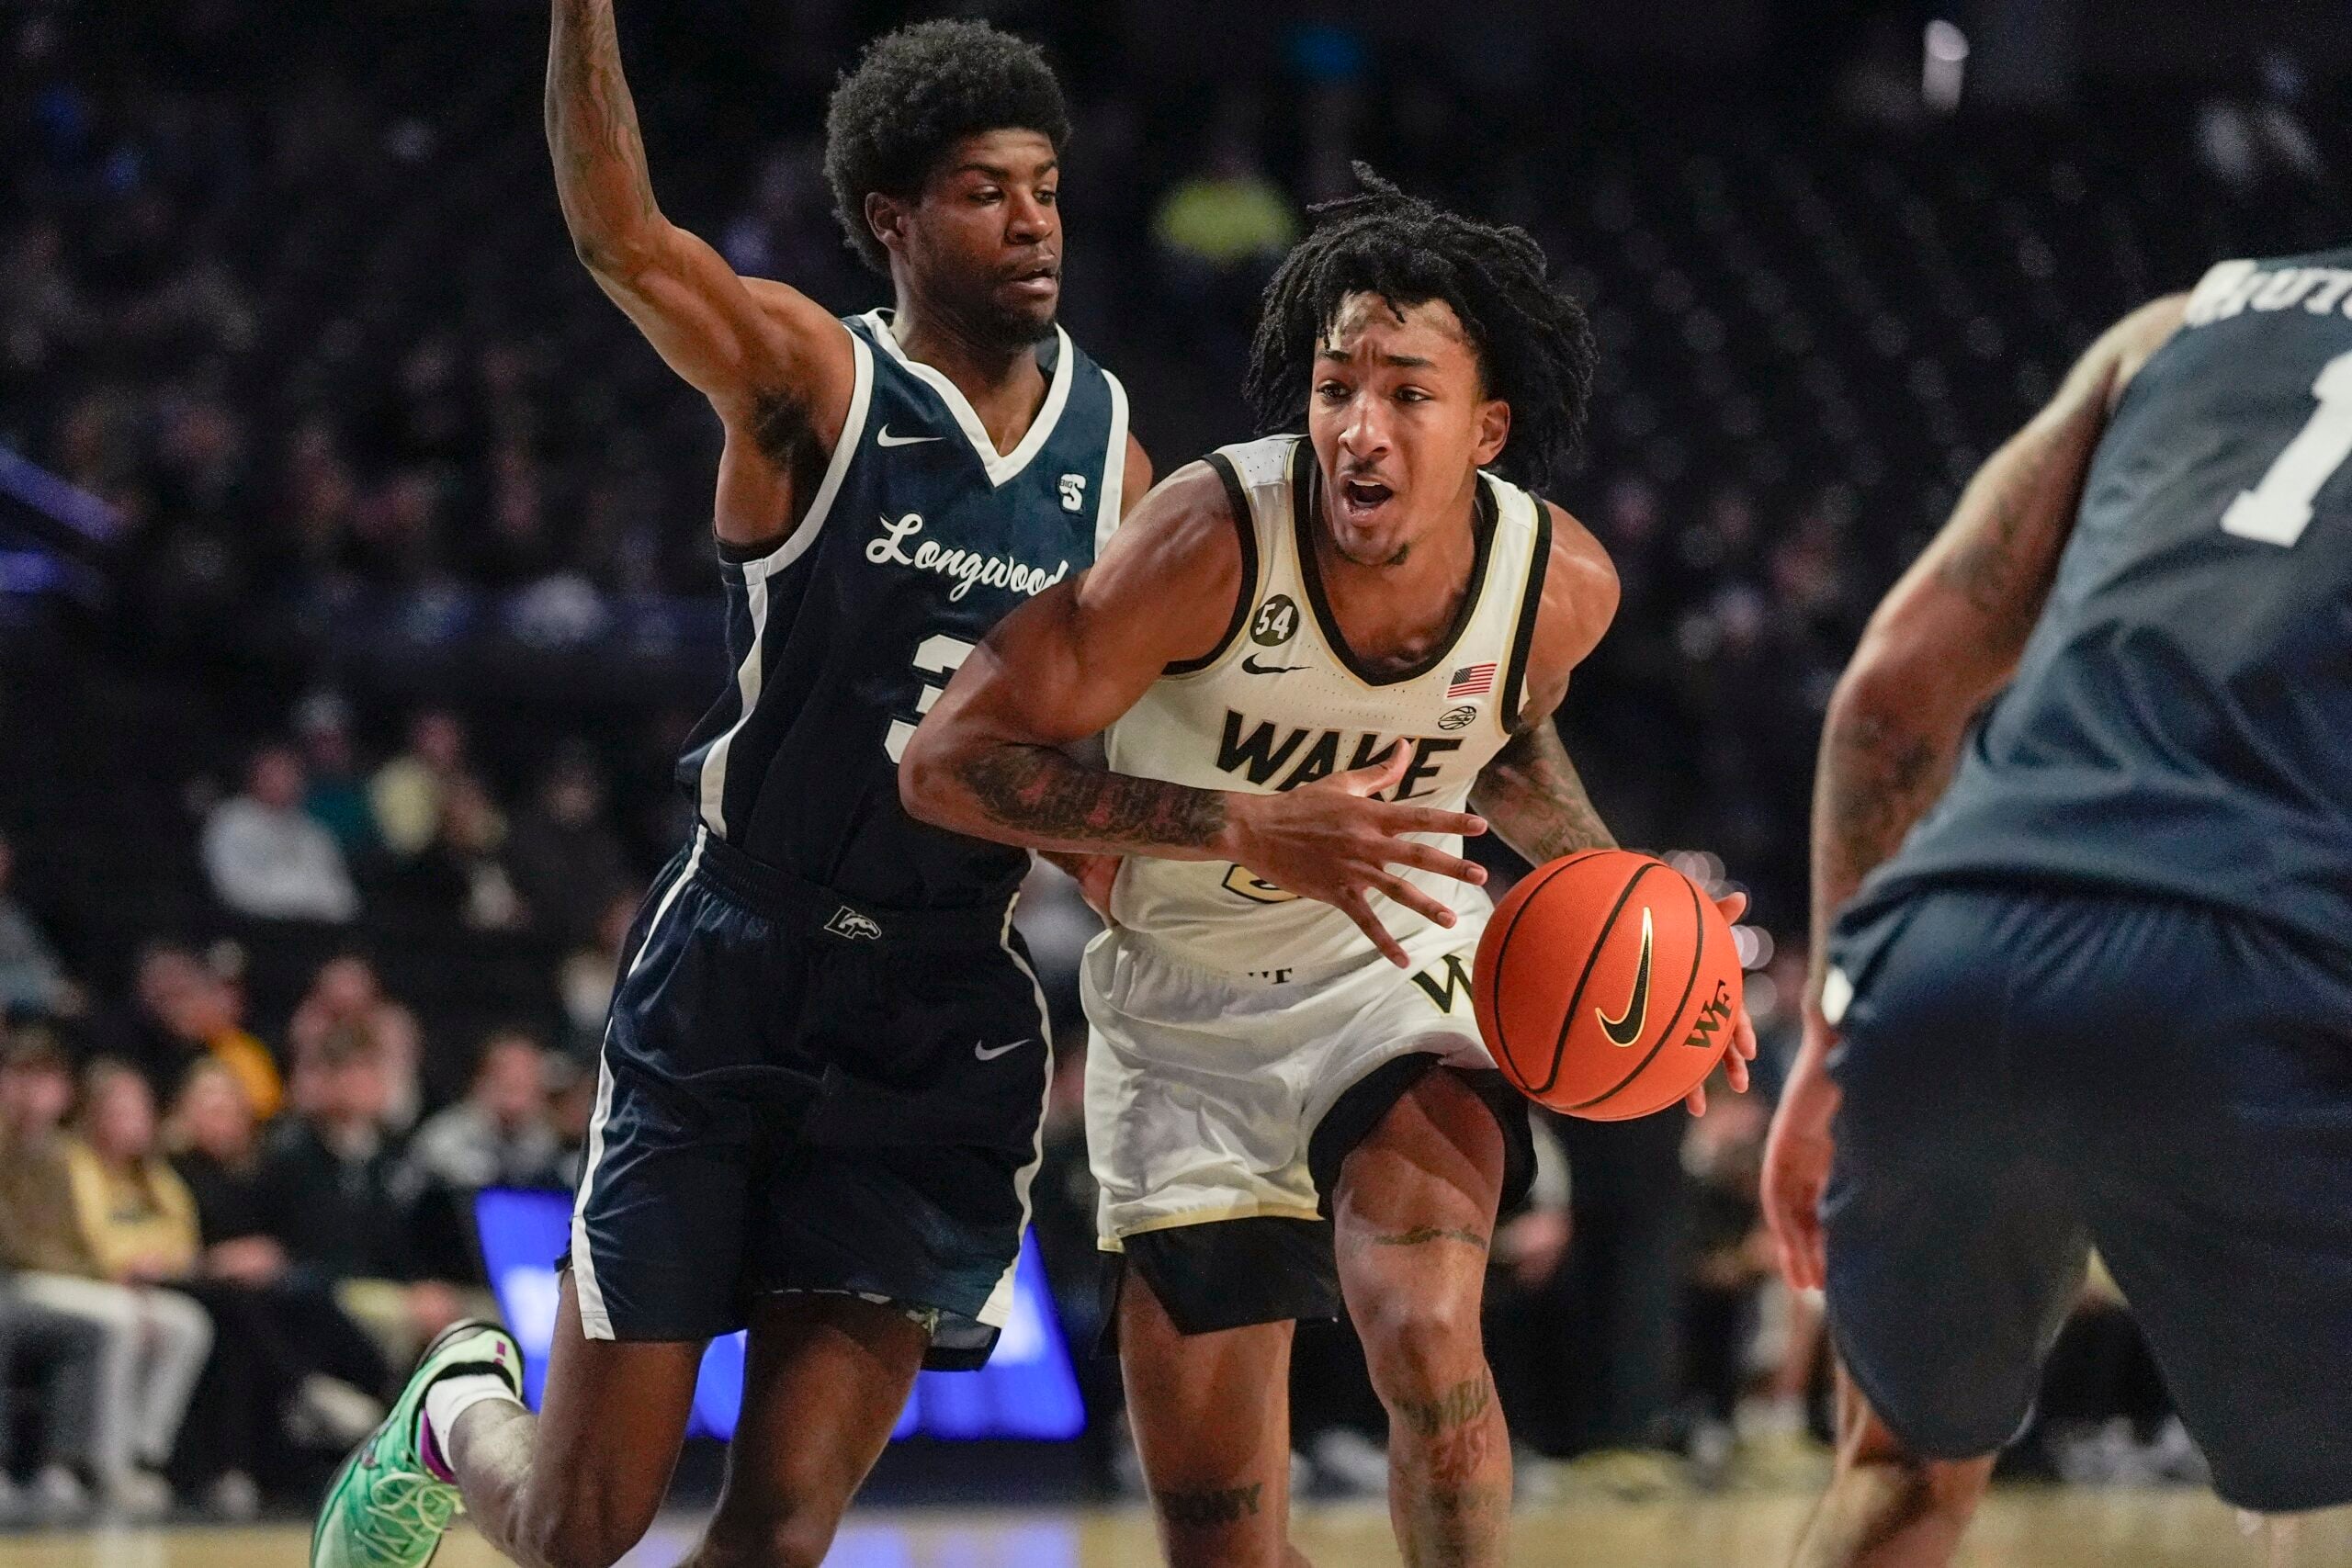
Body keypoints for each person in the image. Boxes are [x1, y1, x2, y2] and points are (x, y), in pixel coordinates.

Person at [312, 14, 1148, 1568]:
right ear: (894, 218)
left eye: (1044, 184)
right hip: (736, 974)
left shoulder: (1117, 467)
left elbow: (1101, 757)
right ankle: (451, 1406)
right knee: (579, 1530)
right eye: (985, 188)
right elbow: (622, 234)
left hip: (936, 1011)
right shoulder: (808, 378)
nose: (1033, 218)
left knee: (776, 1535)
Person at [902, 169, 1754, 1568]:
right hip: (1184, 1014)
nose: (1359, 425)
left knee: (1422, 1326)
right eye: (1333, 382)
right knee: (1223, 1546)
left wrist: (1629, 906)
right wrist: (1243, 825)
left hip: (1396, 969)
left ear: (1488, 424)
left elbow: (1506, 743)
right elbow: (947, 762)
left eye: (1406, 392)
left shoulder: (1562, 585)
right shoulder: (1208, 538)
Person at [1760, 249, 2352, 1567]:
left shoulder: (2175, 322)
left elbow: (1891, 690)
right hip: (2244, 964)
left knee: (1902, 1474)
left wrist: (1830, 1036)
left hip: (1948, 944)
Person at [0, 1044, 211, 1517]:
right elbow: (23, 1246)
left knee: (187, 1321)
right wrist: (109, 1280)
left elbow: (85, 1238)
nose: (33, 1095)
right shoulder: (39, 1153)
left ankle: (138, 1457)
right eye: (20, 1080)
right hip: (26, 1279)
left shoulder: (57, 1155)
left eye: (46, 1082)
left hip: (66, 1278)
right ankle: (93, 1464)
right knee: (115, 1319)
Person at [201, 743, 362, 924]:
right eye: (276, 774)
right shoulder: (231, 821)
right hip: (256, 925)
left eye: (291, 774)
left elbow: (341, 895)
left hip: (316, 928)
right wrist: (300, 904)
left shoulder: (314, 831)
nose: (285, 782)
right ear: (256, 778)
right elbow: (234, 887)